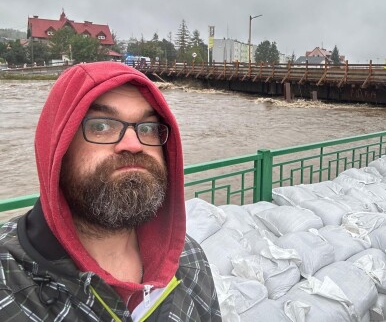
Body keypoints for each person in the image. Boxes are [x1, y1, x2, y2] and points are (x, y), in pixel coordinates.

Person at [0, 62, 221, 321]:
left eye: (148, 128)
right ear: (58, 148)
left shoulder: (190, 261)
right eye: (102, 126)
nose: (134, 144)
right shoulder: (9, 283)